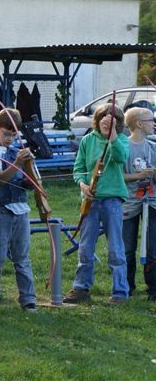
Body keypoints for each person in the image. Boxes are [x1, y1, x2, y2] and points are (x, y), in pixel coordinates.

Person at [65, 103, 130, 305]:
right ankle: (81, 287)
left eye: (112, 120)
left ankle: (120, 291)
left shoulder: (121, 140)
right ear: (97, 119)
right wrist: (83, 184)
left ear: (118, 124)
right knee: (85, 246)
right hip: (91, 201)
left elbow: (121, 158)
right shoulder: (87, 140)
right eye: (103, 117)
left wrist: (112, 138)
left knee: (115, 247)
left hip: (112, 199)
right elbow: (79, 168)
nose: (106, 121)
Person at [0, 108, 38, 312]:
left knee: (22, 258)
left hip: (21, 210)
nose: (10, 138)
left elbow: (31, 180)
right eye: (6, 133)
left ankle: (28, 299)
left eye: (14, 135)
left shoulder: (18, 152)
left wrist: (30, 178)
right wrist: (17, 163)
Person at [121, 107, 156, 301]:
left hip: (151, 202)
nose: (154, 123)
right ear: (138, 124)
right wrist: (138, 175)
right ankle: (126, 286)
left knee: (153, 247)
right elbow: (117, 176)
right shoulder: (124, 147)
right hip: (129, 203)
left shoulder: (152, 147)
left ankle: (153, 288)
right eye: (150, 120)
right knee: (127, 248)